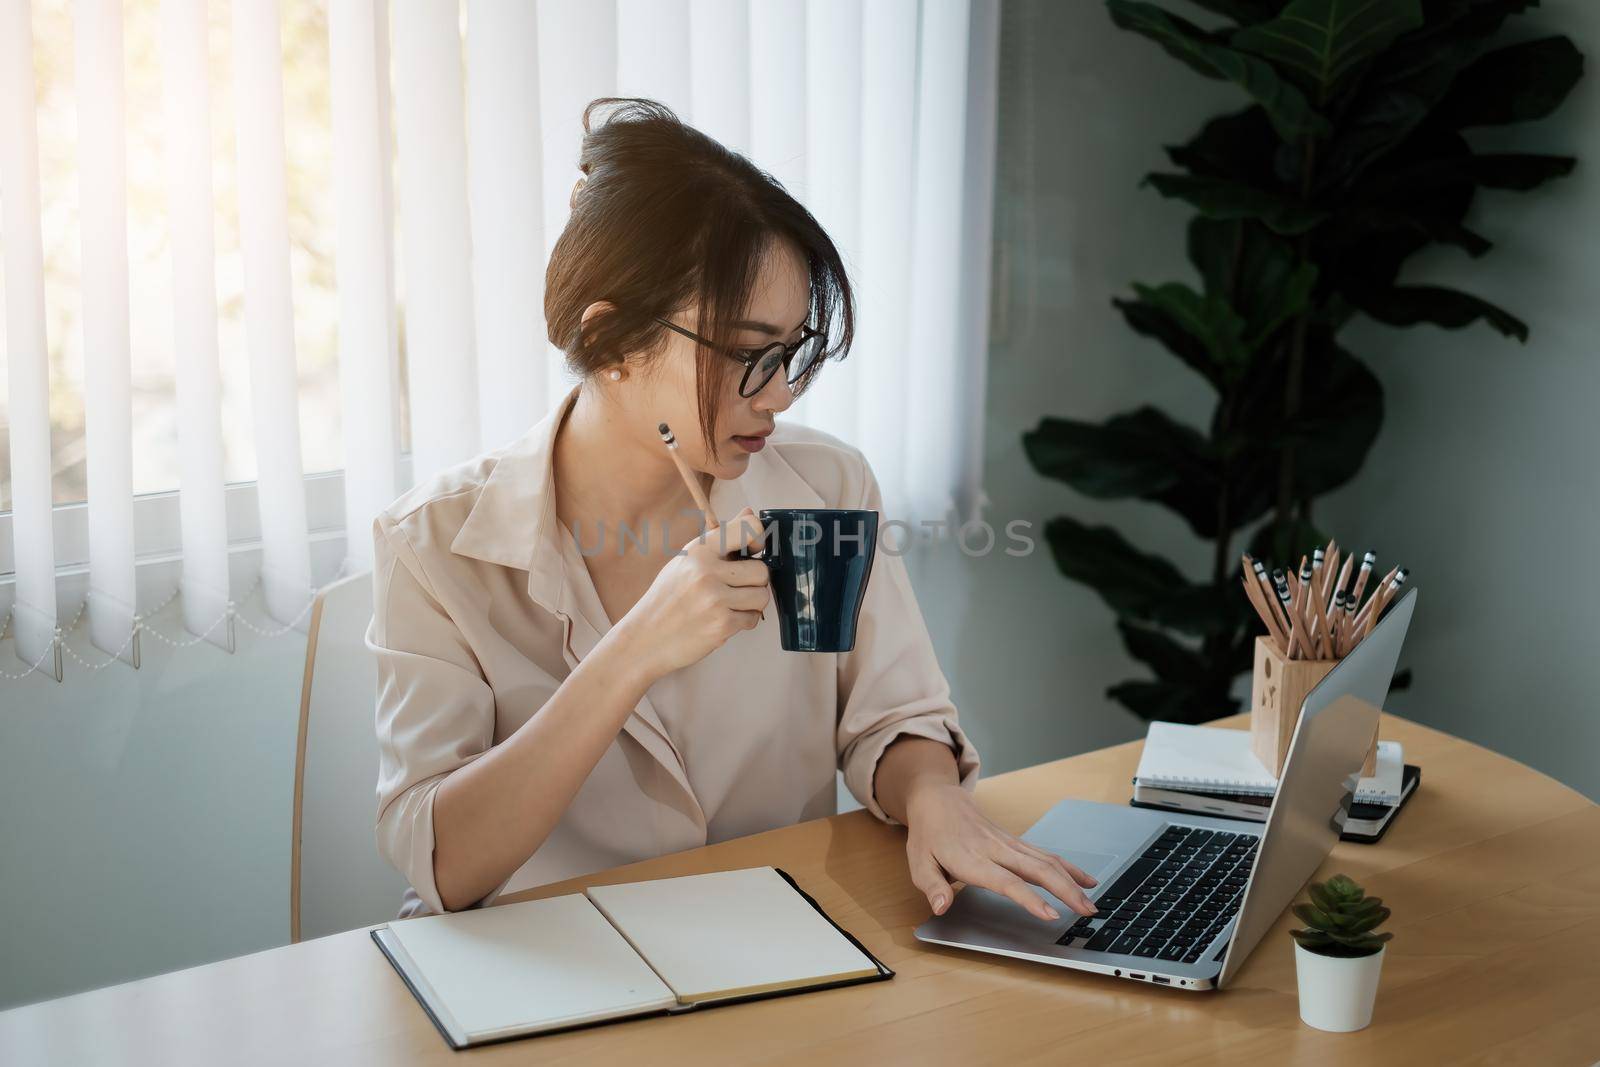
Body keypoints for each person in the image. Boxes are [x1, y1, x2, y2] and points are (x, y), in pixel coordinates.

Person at [368, 98, 1097, 923]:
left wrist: (933, 793)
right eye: (751, 355)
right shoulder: (433, 544)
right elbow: (446, 864)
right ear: (611, 344)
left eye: (791, 352)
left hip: (772, 940)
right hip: (540, 973)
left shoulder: (821, 493)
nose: (781, 393)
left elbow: (887, 718)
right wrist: (634, 649)